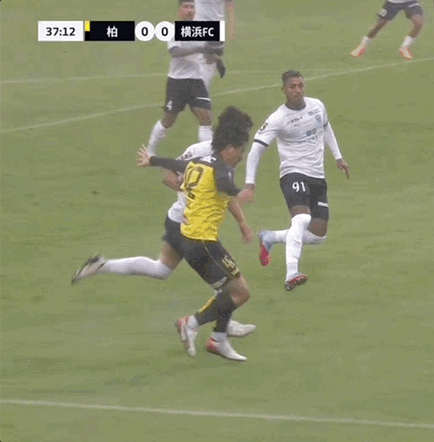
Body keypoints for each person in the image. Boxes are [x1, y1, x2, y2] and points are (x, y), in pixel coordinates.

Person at [71, 108, 256, 339]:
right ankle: (217, 327)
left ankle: (102, 265)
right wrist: (197, 196)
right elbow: (169, 176)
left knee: (162, 270)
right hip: (187, 223)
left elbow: (224, 194)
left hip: (188, 222)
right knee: (226, 280)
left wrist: (242, 221)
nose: (243, 146)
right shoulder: (201, 151)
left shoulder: (228, 159)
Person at [139, 107, 256, 361]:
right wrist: (239, 192)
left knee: (229, 289)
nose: (242, 155)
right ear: (229, 149)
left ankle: (218, 339)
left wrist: (153, 160)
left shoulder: (199, 162)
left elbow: (175, 164)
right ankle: (191, 324)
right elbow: (224, 183)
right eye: (241, 150)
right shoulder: (222, 169)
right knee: (239, 293)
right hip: (203, 243)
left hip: (193, 238)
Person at [244, 70, 350, 291]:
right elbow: (256, 150)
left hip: (317, 176)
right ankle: (292, 273)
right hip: (293, 173)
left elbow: (326, 127)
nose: (297, 90)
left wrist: (338, 157)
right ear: (283, 89)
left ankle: (270, 237)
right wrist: (249, 183)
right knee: (301, 219)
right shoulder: (278, 118)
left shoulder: (317, 106)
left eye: (300, 85)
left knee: (318, 236)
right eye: (292, 87)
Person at [145, 0, 221, 155]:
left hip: (196, 81)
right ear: (180, 10)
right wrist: (198, 48)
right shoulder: (174, 30)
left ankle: (209, 156)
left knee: (206, 118)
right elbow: (174, 52)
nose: (189, 10)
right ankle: (150, 151)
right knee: (168, 121)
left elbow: (207, 54)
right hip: (177, 82)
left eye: (192, 7)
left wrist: (217, 61)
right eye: (186, 7)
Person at [350, 0, 434, 61]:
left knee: (419, 23)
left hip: (410, 1)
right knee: (380, 24)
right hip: (393, 2)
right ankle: (363, 45)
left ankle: (405, 47)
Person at [194, 0, 236, 87]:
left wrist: (231, 26)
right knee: (196, 58)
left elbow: (230, 4)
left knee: (208, 63)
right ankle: (200, 91)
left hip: (216, 26)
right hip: (197, 24)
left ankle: (203, 89)